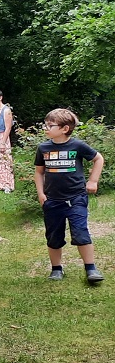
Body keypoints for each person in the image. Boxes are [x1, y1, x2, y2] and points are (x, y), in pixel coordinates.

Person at [34, 109, 104, 283]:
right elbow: (39, 172)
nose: (46, 128)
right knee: (53, 236)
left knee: (81, 233)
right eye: (46, 124)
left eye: (50, 125)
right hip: (52, 201)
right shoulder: (43, 148)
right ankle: (56, 269)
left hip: (76, 198)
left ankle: (91, 268)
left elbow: (98, 159)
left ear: (65, 128)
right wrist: (41, 194)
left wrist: (93, 181)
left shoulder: (77, 146)